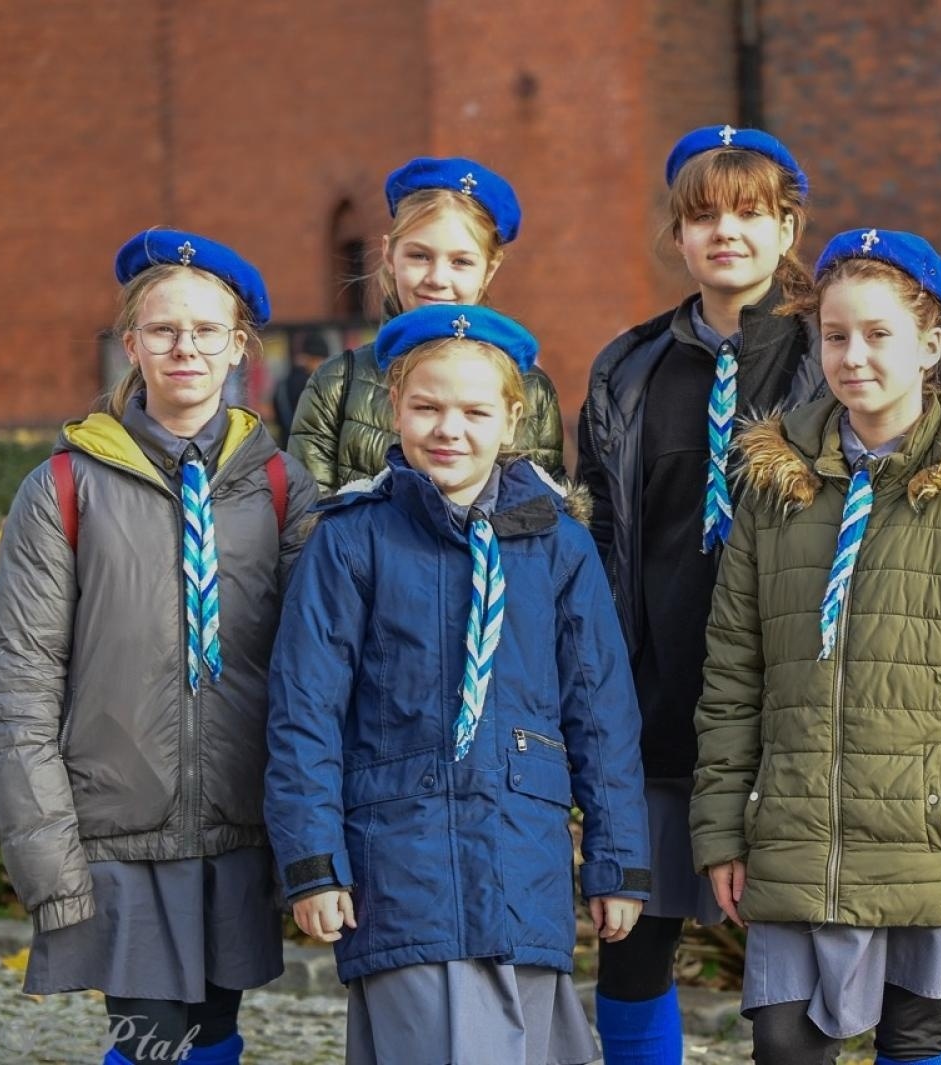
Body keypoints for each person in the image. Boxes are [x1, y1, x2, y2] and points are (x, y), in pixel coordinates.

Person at [692, 228, 941, 1065]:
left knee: (914, 1038)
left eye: (878, 333)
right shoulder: (775, 486)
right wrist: (721, 830)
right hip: (795, 830)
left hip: (925, 836)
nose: (853, 355)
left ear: (931, 343)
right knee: (784, 1042)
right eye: (834, 335)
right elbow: (732, 674)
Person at [265, 303, 651, 1065]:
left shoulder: (557, 546)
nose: (449, 428)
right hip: (400, 865)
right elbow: (304, 711)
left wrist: (618, 862)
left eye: (474, 410)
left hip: (523, 863)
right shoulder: (351, 540)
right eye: (426, 406)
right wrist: (313, 862)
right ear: (392, 409)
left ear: (512, 419)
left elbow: (602, 713)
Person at [0, 229, 318, 1065]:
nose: (185, 348)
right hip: (118, 837)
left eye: (207, 330)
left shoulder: (279, 486)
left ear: (240, 344)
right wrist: (53, 866)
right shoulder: (65, 486)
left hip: (237, 830)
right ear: (131, 342)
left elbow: (320, 668)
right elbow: (19, 691)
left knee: (214, 1035)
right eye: (164, 329)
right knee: (150, 1044)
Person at [577, 123, 825, 1064]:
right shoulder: (629, 368)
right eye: (703, 214)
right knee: (634, 940)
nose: (727, 232)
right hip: (654, 699)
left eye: (751, 213)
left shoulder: (822, 357)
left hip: (782, 707)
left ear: (787, 225)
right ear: (677, 234)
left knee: (785, 951)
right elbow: (602, 535)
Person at [287, 157, 564, 490]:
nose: (437, 278)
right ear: (390, 255)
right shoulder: (336, 384)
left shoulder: (529, 388)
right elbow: (307, 523)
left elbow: (545, 518)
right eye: (419, 256)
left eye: (460, 262)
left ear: (489, 268)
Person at [272, 331, 329, 447]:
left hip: (287, 449)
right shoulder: (312, 385)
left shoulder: (283, 384)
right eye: (321, 360)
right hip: (308, 452)